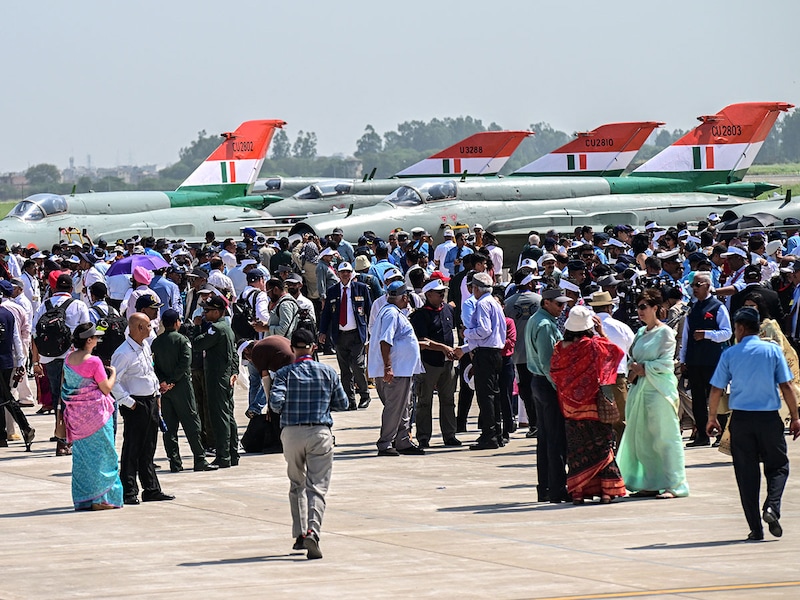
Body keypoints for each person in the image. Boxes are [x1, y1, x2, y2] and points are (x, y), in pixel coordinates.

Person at [708, 307, 800, 541]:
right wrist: (796, 416)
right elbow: (787, 386)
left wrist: (711, 418)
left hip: (741, 420)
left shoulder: (730, 354)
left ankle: (755, 529)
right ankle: (771, 507)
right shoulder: (772, 350)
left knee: (746, 474)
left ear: (739, 328)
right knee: (778, 466)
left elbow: (717, 389)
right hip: (768, 418)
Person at [269, 328, 349, 559]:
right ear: (313, 347)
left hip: (292, 433)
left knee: (296, 484)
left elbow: (275, 403)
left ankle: (299, 534)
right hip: (320, 432)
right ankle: (313, 531)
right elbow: (342, 403)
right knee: (317, 487)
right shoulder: (328, 371)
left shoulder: (284, 374)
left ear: (293, 348)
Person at [616, 289, 689, 499]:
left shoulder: (665, 332)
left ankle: (674, 484)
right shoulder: (640, 333)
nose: (639, 311)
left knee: (664, 437)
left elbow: (667, 363)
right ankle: (649, 481)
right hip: (640, 390)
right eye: (637, 307)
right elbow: (631, 358)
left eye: (643, 307)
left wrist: (643, 368)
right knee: (642, 438)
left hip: (658, 390)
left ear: (655, 308)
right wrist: (634, 368)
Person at [550, 306, 627, 504]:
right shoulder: (593, 345)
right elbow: (615, 353)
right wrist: (601, 333)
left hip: (570, 408)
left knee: (577, 451)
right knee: (602, 447)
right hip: (593, 405)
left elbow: (554, 373)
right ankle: (606, 492)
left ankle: (578, 492)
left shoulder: (560, 348)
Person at [111, 312, 175, 505]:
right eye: (148, 326)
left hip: (150, 402)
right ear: (138, 328)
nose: (151, 329)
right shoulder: (123, 353)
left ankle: (151, 488)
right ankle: (129, 491)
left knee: (149, 448)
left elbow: (149, 373)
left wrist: (156, 397)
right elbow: (114, 381)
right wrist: (128, 402)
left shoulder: (144, 346)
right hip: (135, 405)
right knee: (132, 448)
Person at [61, 323, 122, 510]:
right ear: (89, 340)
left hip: (77, 418)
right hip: (97, 417)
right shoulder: (94, 361)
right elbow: (105, 388)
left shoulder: (68, 359)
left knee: (82, 459)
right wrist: (114, 374)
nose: (97, 339)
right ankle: (102, 499)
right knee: (104, 456)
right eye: (95, 337)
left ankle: (85, 498)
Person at [152, 309, 218, 473]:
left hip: (165, 390)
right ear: (176, 323)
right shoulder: (182, 340)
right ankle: (199, 459)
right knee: (192, 423)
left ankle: (175, 462)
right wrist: (173, 380)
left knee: (169, 428)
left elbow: (154, 365)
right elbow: (185, 362)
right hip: (181, 387)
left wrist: (163, 382)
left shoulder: (156, 342)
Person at [368, 281, 425, 456]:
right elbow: (386, 341)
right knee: (394, 408)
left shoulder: (389, 311)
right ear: (404, 297)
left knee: (403, 407)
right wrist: (388, 367)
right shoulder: (391, 314)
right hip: (396, 371)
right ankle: (385, 443)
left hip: (403, 370)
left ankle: (403, 441)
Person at [525, 287, 571, 503]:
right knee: (554, 440)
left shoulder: (539, 320)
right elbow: (547, 363)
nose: (563, 309)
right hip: (547, 384)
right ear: (546, 303)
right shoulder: (544, 325)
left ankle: (545, 487)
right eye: (559, 304)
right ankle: (556, 488)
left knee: (545, 440)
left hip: (539, 382)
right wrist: (559, 387)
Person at [455, 272, 507, 450]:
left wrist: (466, 334)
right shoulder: (494, 302)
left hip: (485, 354)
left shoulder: (482, 304)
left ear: (476, 288)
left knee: (486, 396)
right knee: (494, 394)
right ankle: (496, 433)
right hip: (495, 352)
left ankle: (489, 435)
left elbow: (484, 330)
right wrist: (464, 349)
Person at [679, 272, 732, 447]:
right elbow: (686, 336)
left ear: (707, 286)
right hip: (695, 360)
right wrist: (683, 359)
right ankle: (702, 434)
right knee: (698, 400)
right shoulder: (692, 308)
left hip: (713, 360)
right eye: (693, 285)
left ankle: (722, 434)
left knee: (717, 397)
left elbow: (727, 333)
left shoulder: (717, 307)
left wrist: (707, 335)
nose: (694, 289)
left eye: (698, 285)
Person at [190, 295, 240, 468]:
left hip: (217, 377)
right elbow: (234, 354)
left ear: (218, 312)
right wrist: (234, 371)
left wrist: (196, 328)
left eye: (208, 310)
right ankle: (233, 453)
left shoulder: (216, 329)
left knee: (219, 417)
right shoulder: (227, 328)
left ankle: (223, 455)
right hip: (224, 375)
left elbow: (197, 344)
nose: (204, 313)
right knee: (227, 415)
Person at [409, 279, 459, 447]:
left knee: (448, 399)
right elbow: (422, 339)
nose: (442, 295)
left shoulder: (448, 310)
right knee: (425, 401)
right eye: (439, 293)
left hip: (448, 363)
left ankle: (450, 434)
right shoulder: (420, 315)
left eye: (443, 292)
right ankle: (423, 436)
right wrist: (443, 348)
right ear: (428, 295)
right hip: (429, 363)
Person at [318, 261, 372, 410]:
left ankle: (365, 394)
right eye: (343, 272)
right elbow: (327, 314)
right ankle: (349, 400)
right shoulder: (333, 291)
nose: (345, 274)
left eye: (348, 272)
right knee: (345, 369)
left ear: (352, 273)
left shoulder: (361, 289)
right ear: (338, 274)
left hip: (357, 335)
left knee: (357, 365)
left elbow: (370, 310)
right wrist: (322, 332)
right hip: (340, 335)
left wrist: (373, 331)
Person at [587, 290, 635, 444]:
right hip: (617, 376)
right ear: (609, 308)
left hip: (593, 378)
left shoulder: (586, 328)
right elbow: (633, 351)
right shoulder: (621, 327)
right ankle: (621, 454)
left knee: (597, 419)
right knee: (621, 419)